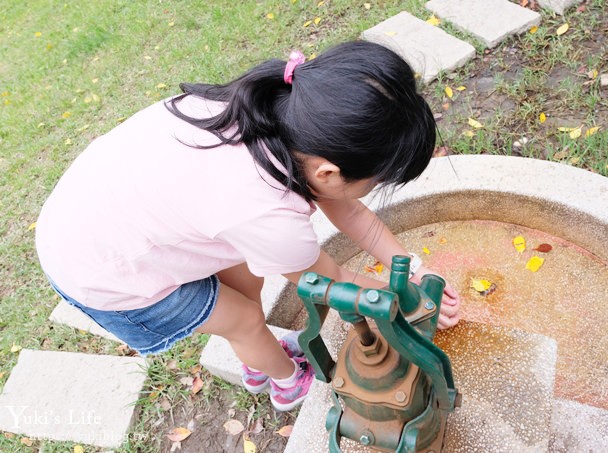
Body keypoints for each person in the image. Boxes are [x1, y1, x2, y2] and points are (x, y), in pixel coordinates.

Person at [35, 41, 461, 412]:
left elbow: (348, 211)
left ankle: (257, 355)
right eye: (376, 181)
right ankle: (284, 381)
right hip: (103, 272)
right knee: (242, 321)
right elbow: (329, 279)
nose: (371, 191)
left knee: (245, 286)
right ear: (329, 172)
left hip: (99, 218)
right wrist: (403, 303)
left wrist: (414, 270)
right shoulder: (267, 214)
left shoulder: (275, 114)